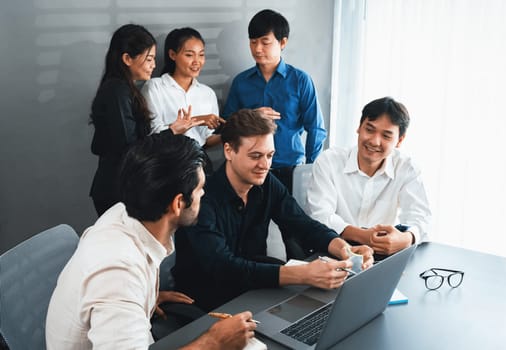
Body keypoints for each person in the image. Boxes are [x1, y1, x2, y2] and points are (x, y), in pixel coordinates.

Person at [46, 132, 257, 349]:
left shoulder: (122, 213)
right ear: (177, 204)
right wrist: (214, 342)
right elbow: (118, 282)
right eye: (199, 188)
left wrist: (143, 297)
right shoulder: (119, 275)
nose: (203, 194)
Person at [172, 109, 374, 312]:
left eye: (270, 155)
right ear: (229, 151)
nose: (265, 165)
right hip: (208, 297)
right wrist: (303, 274)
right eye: (255, 156)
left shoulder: (267, 183)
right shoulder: (203, 198)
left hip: (254, 287)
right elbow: (223, 267)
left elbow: (302, 224)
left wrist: (343, 248)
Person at [307, 97, 432, 258]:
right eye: (370, 130)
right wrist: (362, 236)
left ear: (399, 140)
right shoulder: (329, 161)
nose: (374, 141)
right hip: (334, 249)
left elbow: (421, 217)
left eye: (386, 136)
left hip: (383, 254)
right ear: (359, 128)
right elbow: (319, 216)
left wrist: (407, 238)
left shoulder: (407, 168)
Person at [223, 9, 327, 192]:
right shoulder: (241, 82)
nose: (257, 49)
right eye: (253, 42)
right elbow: (225, 126)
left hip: (290, 168)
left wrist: (311, 169)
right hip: (249, 170)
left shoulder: (300, 80)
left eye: (265, 42)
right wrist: (250, 117)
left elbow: (316, 128)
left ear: (282, 42)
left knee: (291, 219)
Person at [89, 24, 157, 216]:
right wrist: (172, 132)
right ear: (127, 59)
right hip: (117, 189)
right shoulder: (117, 91)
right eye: (149, 59)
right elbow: (129, 145)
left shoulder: (123, 89)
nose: (153, 65)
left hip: (121, 185)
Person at [141, 27, 225, 148]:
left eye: (201, 55)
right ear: (172, 54)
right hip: (165, 161)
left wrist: (230, 134)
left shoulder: (208, 93)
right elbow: (154, 133)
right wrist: (197, 120)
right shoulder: (155, 87)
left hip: (198, 162)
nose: (197, 61)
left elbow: (206, 140)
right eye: (189, 55)